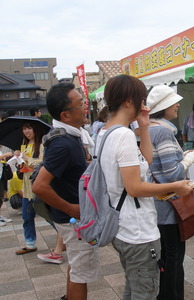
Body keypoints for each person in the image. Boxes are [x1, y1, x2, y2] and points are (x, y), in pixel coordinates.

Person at [97, 75, 193, 300]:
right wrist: (176, 186)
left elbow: (145, 163)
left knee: (133, 286)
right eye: (141, 99)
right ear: (128, 102)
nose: (144, 104)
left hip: (120, 224)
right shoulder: (123, 136)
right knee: (146, 292)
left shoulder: (106, 132)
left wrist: (144, 126)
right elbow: (134, 187)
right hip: (137, 230)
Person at [32, 83, 98, 300]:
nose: (85, 105)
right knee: (81, 273)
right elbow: (39, 186)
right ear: (66, 115)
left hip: (71, 219)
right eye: (80, 104)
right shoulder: (63, 143)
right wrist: (72, 209)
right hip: (74, 220)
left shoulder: (69, 136)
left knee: (77, 266)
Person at [147, 85, 194, 300]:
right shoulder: (163, 132)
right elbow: (173, 174)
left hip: (153, 205)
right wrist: (190, 157)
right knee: (174, 257)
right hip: (169, 207)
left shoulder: (144, 130)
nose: (178, 105)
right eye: (173, 102)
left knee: (163, 257)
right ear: (163, 107)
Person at [13, 121, 44, 255]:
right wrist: (19, 162)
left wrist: (27, 158)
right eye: (24, 129)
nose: (26, 131)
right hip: (26, 188)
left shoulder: (41, 145)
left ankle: (63, 239)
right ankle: (30, 243)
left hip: (38, 186)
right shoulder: (24, 145)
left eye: (29, 128)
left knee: (49, 215)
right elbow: (25, 166)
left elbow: (43, 162)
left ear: (35, 129)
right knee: (27, 217)